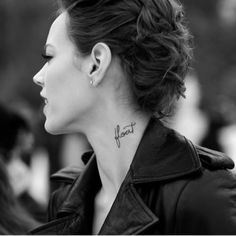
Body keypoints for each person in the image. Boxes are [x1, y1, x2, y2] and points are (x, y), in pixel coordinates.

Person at [31, 0, 236, 234]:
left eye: (49, 57)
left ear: (97, 63)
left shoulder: (203, 199)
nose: (39, 76)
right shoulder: (65, 202)